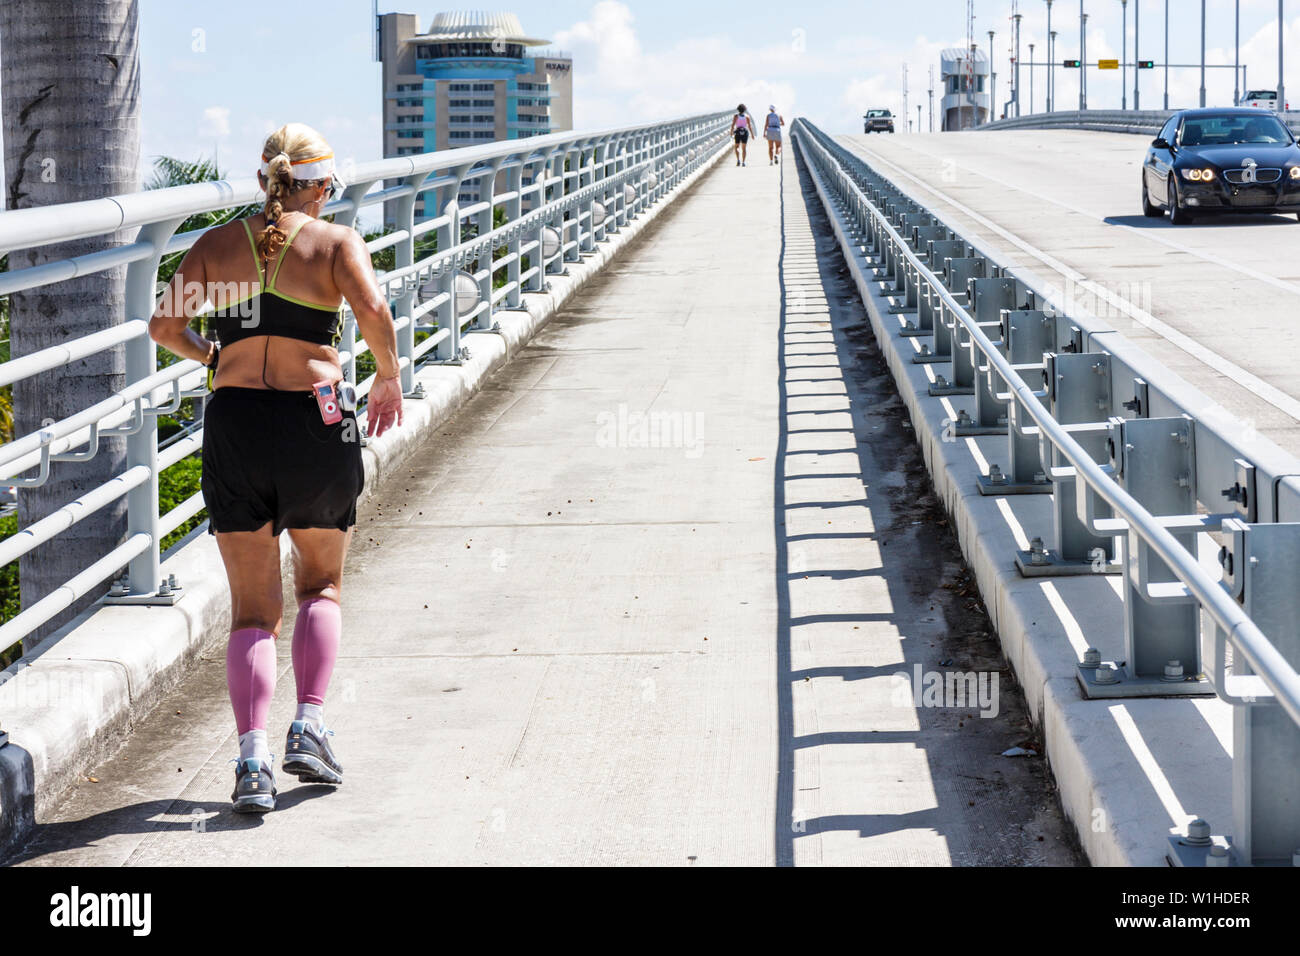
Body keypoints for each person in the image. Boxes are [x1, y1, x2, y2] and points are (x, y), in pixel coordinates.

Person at [149, 123, 405, 813]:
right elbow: (375, 311)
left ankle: (252, 761)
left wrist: (216, 358)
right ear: (319, 186)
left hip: (236, 427)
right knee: (320, 584)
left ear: (267, 181)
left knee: (251, 613)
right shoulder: (335, 242)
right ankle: (311, 724)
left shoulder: (213, 245)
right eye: (329, 189)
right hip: (314, 425)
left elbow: (163, 329)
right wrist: (387, 376)